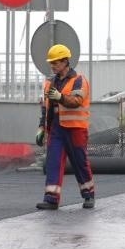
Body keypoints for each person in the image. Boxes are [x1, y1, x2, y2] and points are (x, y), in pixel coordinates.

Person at [34, 44, 95, 210]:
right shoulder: (49, 83)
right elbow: (45, 107)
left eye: (55, 62)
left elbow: (76, 101)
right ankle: (51, 199)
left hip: (75, 129)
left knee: (79, 162)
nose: (52, 66)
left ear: (65, 62)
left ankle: (89, 194)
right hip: (56, 129)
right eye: (51, 63)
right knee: (53, 162)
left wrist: (60, 97)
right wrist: (41, 127)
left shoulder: (79, 80)